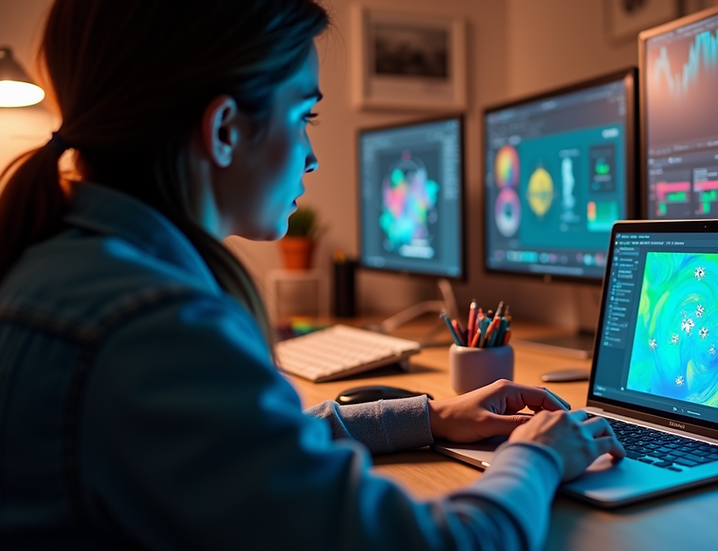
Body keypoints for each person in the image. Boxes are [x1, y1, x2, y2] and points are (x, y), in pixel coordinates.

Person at [0, 1, 624, 549]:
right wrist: (536, 457)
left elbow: (243, 451)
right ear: (223, 129)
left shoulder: (69, 267)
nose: (313, 154)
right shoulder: (152, 330)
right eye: (305, 116)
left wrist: (430, 417)